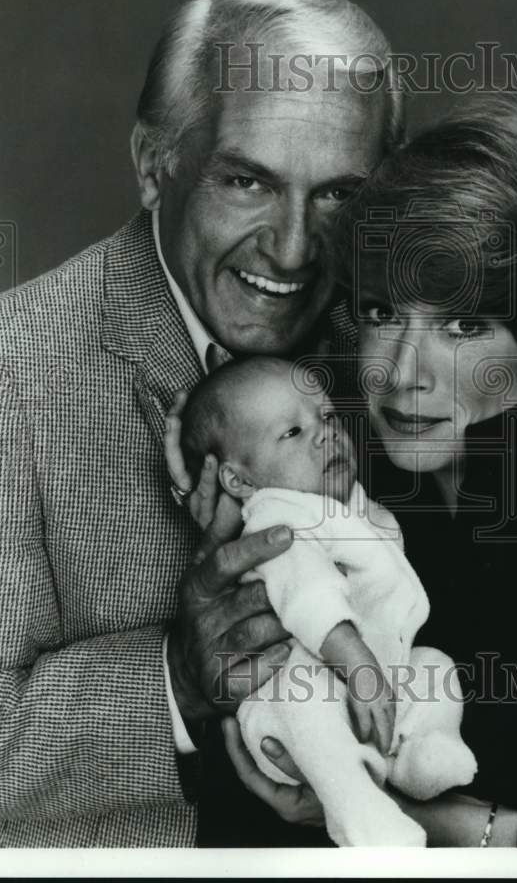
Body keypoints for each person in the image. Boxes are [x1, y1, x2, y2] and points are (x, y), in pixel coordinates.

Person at [0, 0, 402, 847]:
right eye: (246, 181)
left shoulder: (393, 338)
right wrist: (174, 677)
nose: (291, 248)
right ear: (153, 163)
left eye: (336, 195)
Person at [180, 99, 517, 847]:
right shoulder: (316, 475)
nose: (403, 375)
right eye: (381, 313)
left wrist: (430, 822)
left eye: (464, 326)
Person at [179, 355, 476, 846]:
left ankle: (423, 750)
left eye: (329, 417)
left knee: (435, 666)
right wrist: (357, 664)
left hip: (375, 672)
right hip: (294, 694)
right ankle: (360, 816)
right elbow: (308, 595)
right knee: (312, 707)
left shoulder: (343, 503)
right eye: (292, 432)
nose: (325, 434)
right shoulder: (277, 517)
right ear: (240, 482)